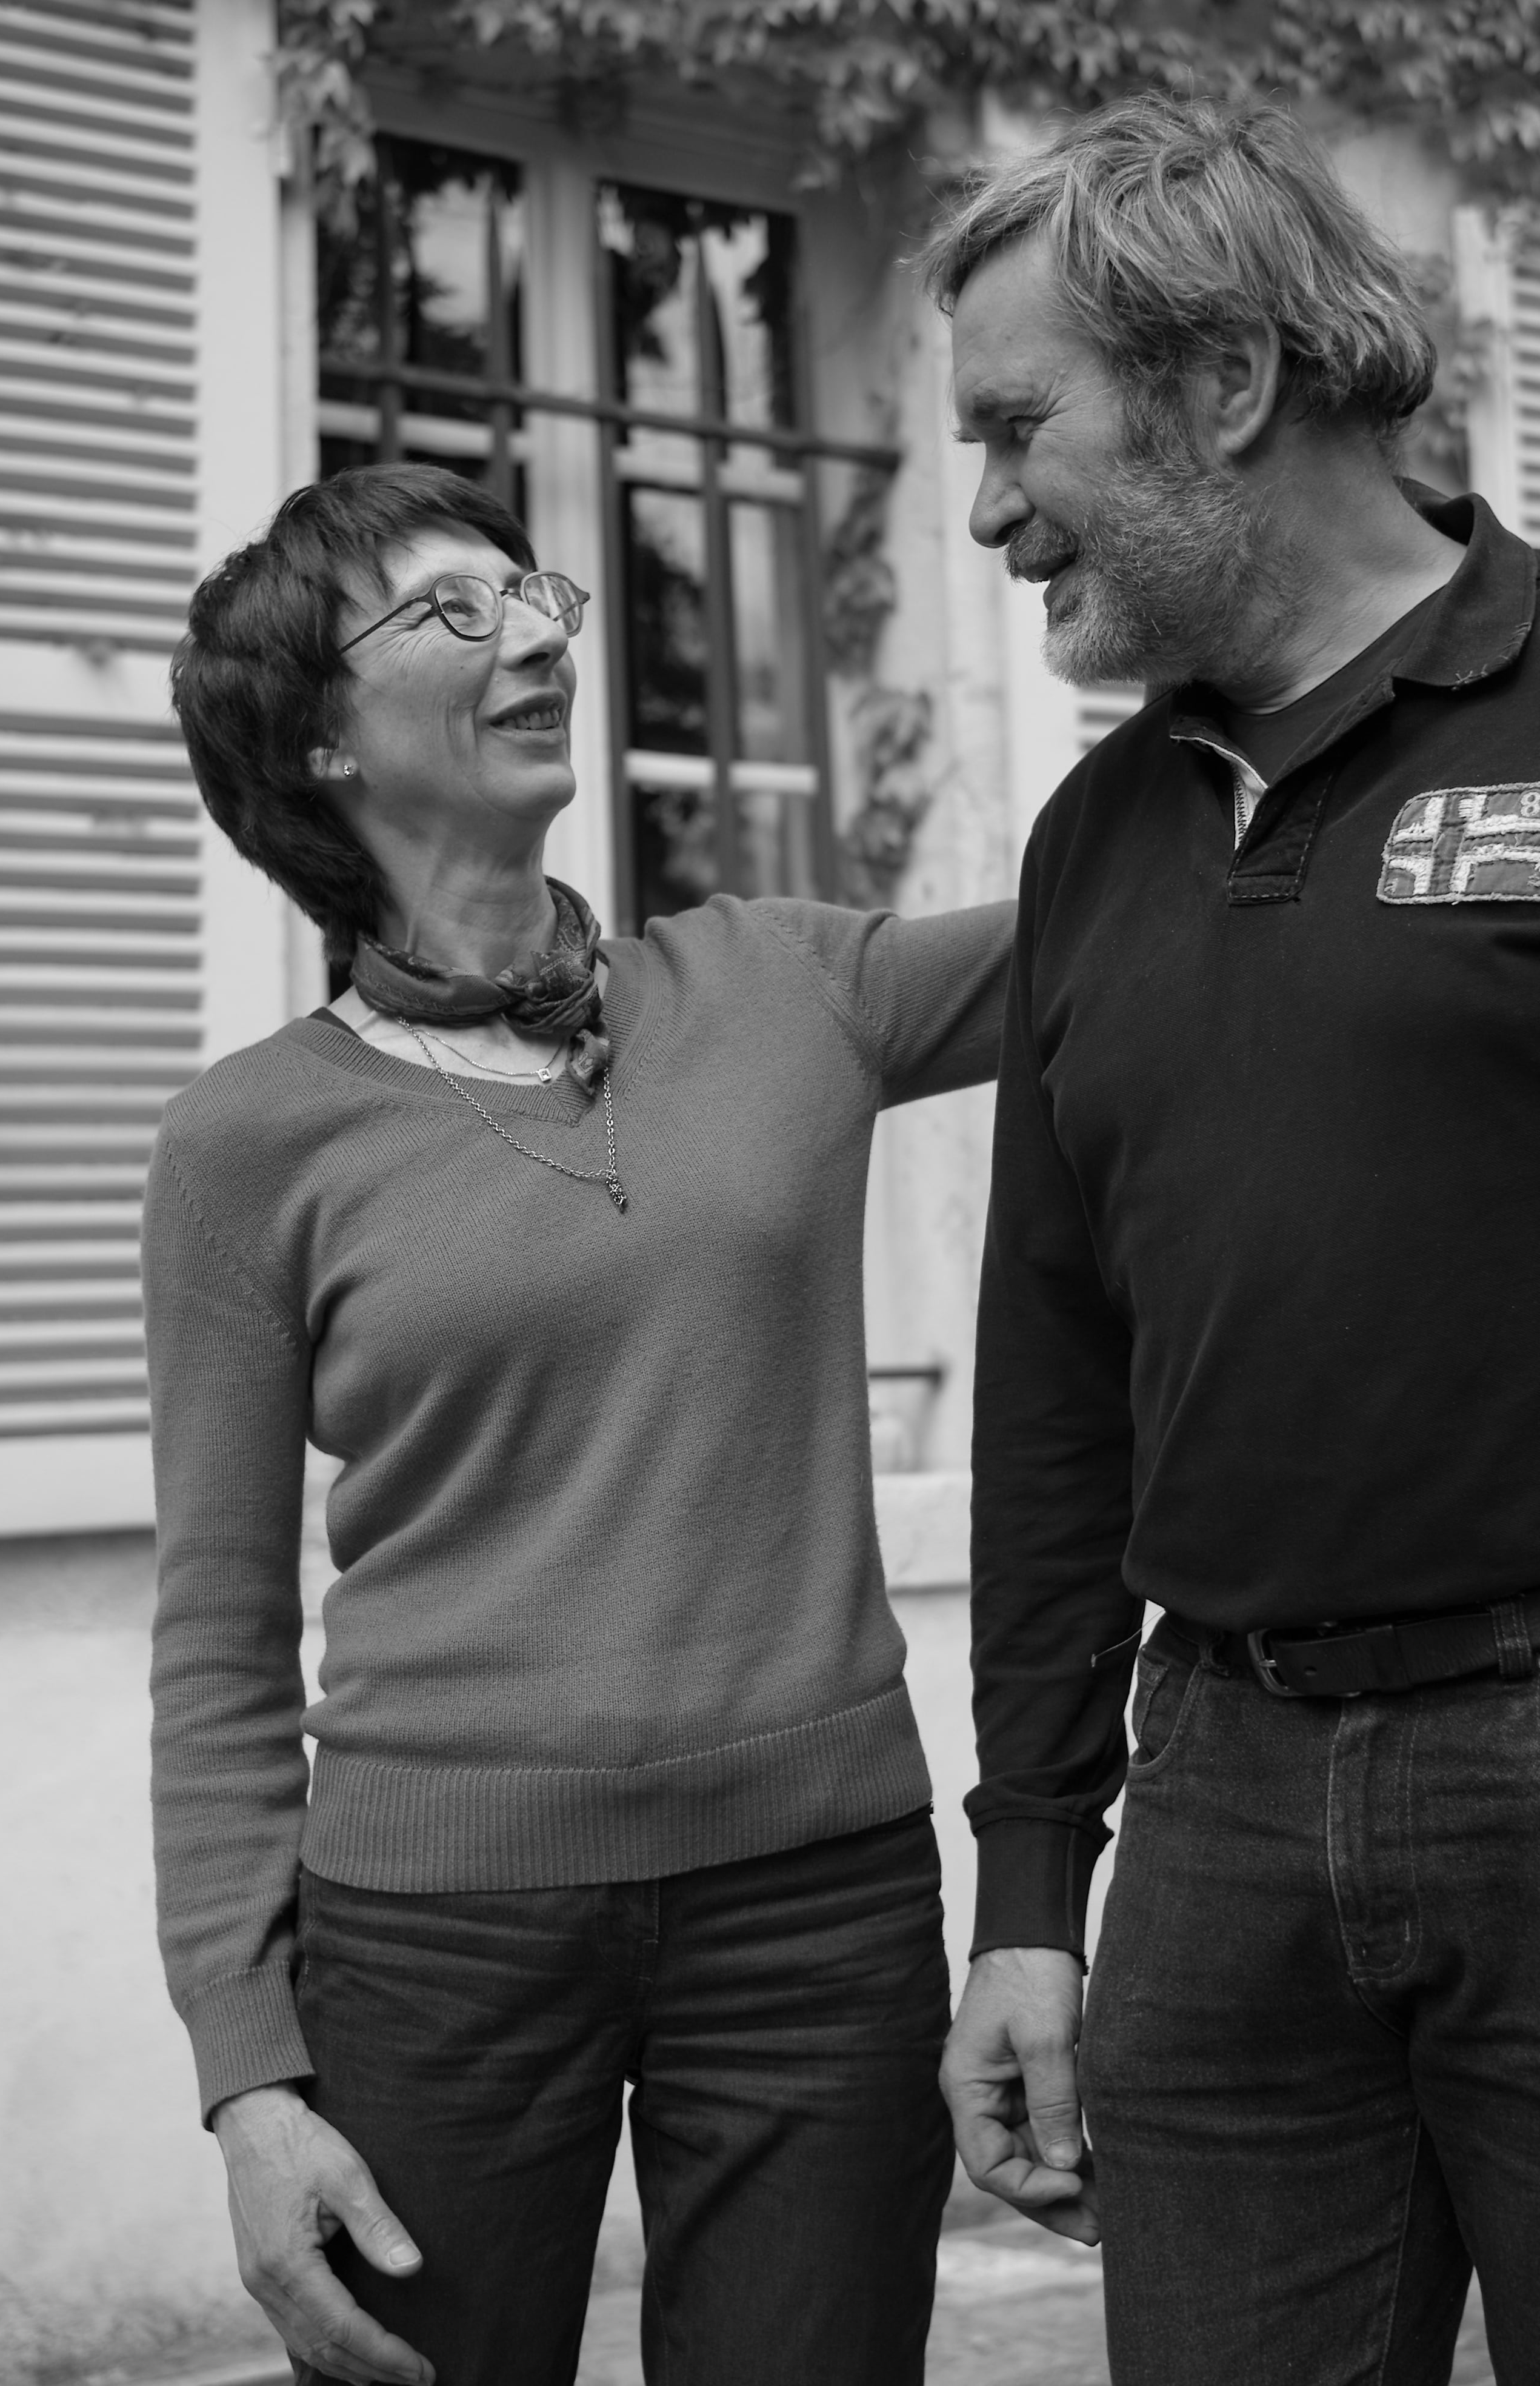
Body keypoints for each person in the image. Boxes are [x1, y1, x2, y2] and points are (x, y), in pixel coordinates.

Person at [145, 461, 1013, 2386]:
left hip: (820, 1909)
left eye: (536, 594)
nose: (538, 634)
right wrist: (248, 2079)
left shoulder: (787, 987)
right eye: (452, 613)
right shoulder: (244, 1145)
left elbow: (1125, 919)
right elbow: (215, 1632)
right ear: (317, 740)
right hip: (432, 1940)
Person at [924, 92, 1540, 2386]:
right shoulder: (1096, 836)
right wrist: (1027, 1888)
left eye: (1020, 428)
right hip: (1217, 1803)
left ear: (1226, 381)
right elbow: (1053, 1389)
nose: (987, 510)